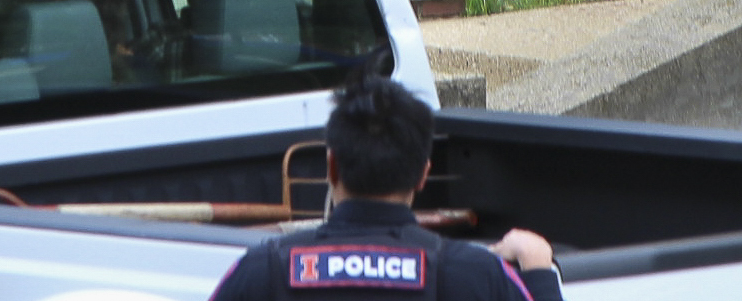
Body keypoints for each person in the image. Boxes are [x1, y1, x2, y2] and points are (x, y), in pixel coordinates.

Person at [210, 70, 563, 301]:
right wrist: (537, 267)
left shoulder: (262, 272)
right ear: (423, 174)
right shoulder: (475, 277)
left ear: (331, 166)